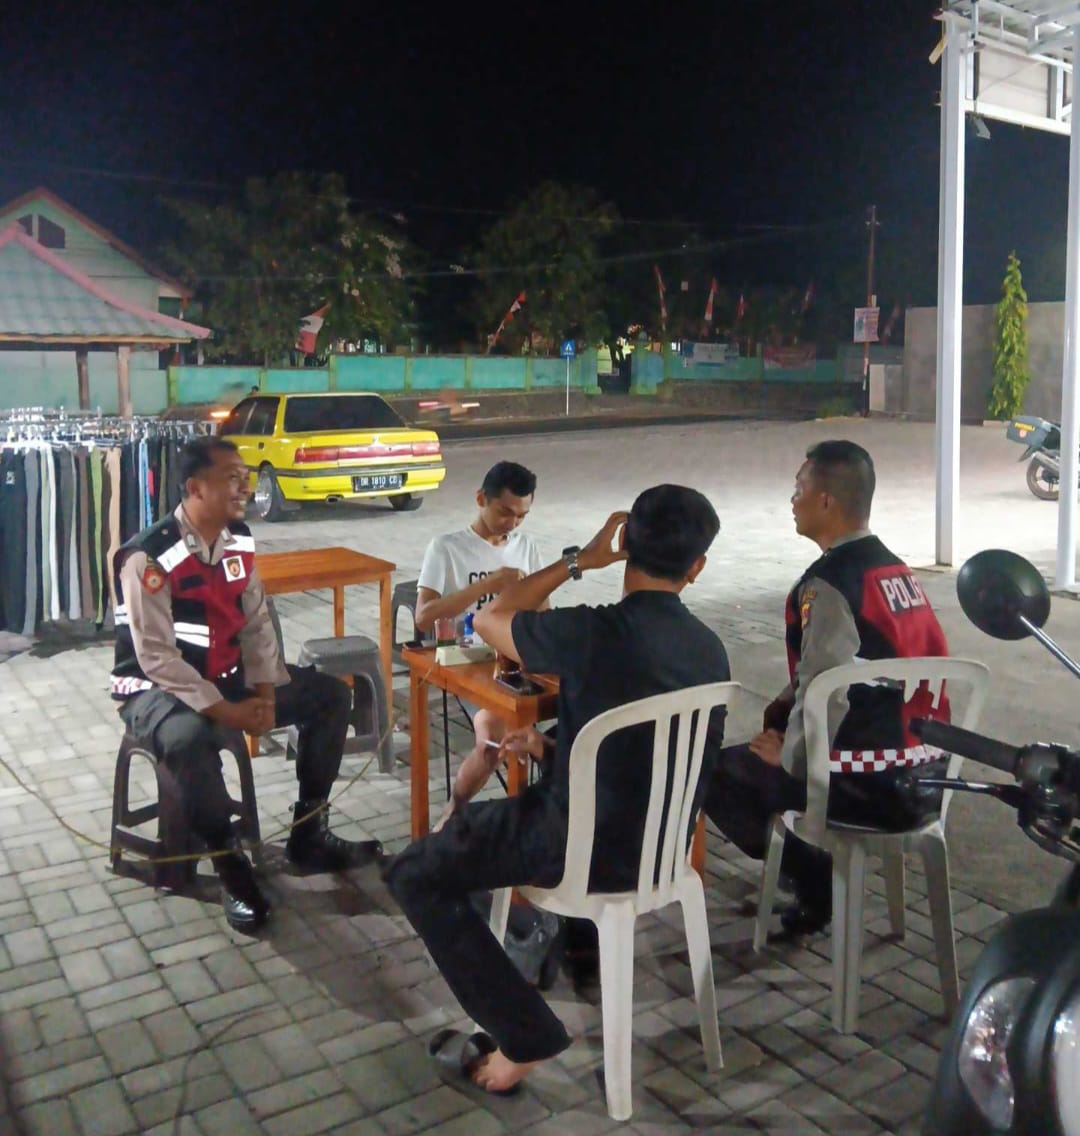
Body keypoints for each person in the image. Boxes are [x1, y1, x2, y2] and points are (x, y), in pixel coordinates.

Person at [386, 484, 730, 1095]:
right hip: (660, 851)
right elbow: (644, 751)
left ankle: (524, 1033)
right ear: (697, 566)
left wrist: (579, 562)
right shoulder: (710, 650)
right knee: (484, 829)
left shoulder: (590, 630)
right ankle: (547, 952)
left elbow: (488, 619)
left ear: (625, 548)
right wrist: (550, 750)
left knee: (415, 871)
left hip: (573, 846)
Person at [110, 436, 380, 933]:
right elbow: (156, 658)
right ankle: (230, 867)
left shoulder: (238, 539)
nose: (245, 486)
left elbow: (256, 625)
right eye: (231, 478)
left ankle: (308, 832)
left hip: (227, 678)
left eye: (245, 476)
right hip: (155, 692)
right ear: (195, 488)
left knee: (331, 696)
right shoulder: (149, 557)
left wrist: (266, 695)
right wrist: (228, 710)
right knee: (188, 741)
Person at [704, 440, 949, 936]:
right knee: (779, 722)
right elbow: (857, 667)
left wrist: (793, 756)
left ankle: (814, 883)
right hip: (927, 777)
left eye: (799, 487)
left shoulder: (829, 584)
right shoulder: (895, 570)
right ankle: (812, 870)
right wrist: (786, 702)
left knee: (715, 772)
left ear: (826, 501)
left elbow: (827, 692)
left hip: (869, 786)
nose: (792, 499)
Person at [414, 461, 546, 822]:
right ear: (480, 499)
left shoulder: (526, 547)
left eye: (521, 516)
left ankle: (533, 819)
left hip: (514, 661)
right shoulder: (446, 548)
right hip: (469, 663)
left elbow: (544, 611)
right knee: (492, 742)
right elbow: (423, 617)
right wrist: (488, 585)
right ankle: (452, 813)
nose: (512, 523)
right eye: (504, 512)